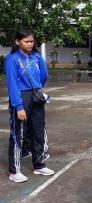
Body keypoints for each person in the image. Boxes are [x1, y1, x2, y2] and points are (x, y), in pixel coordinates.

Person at [5, 29, 53, 183]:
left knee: (39, 130)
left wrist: (38, 90)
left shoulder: (37, 57)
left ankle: (39, 165)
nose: (30, 44)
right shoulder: (12, 60)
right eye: (27, 41)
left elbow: (44, 76)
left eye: (32, 41)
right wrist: (18, 106)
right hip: (21, 96)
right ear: (17, 42)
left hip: (36, 96)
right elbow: (12, 84)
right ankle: (15, 170)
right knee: (18, 133)